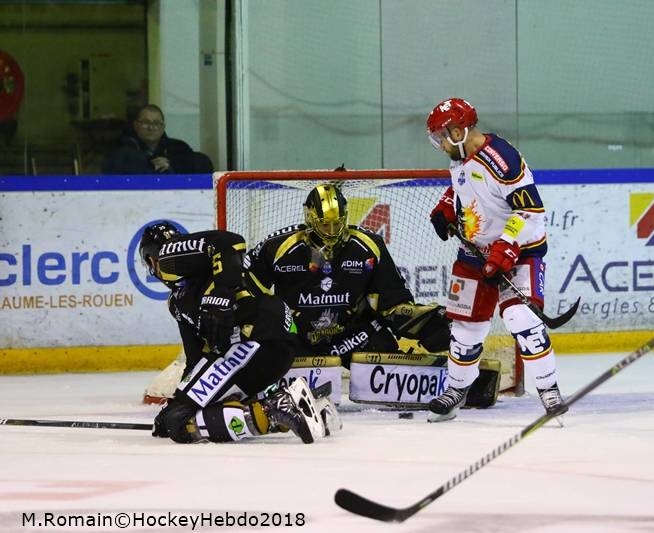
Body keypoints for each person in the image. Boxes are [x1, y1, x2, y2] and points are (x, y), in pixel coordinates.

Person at [425, 97, 567, 422]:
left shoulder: (502, 158)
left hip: (520, 251)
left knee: (523, 322)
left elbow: (529, 211)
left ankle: (549, 392)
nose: (440, 143)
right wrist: (447, 206)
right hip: (475, 254)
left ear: (459, 131)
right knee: (464, 330)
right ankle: (456, 390)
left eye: (442, 136)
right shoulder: (460, 156)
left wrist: (505, 248)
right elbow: (463, 190)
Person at [139, 221, 339, 444]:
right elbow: (196, 360)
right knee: (180, 418)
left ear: (150, 259)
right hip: (269, 345)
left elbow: (230, 241)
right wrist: (175, 404)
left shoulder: (168, 257)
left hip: (256, 333)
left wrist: (220, 295)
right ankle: (303, 409)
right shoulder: (176, 303)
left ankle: (275, 408)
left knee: (179, 423)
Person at [244, 182, 451, 368]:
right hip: (296, 340)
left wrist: (426, 321)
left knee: (431, 325)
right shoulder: (276, 247)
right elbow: (246, 286)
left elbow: (391, 301)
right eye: (325, 224)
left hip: (352, 336)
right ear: (310, 218)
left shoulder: (369, 246)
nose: (332, 231)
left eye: (337, 223)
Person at [102, 104, 213, 174]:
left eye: (156, 123)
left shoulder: (178, 147)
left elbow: (203, 164)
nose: (151, 127)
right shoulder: (122, 148)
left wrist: (172, 165)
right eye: (146, 122)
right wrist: (150, 165)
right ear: (135, 125)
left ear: (163, 127)